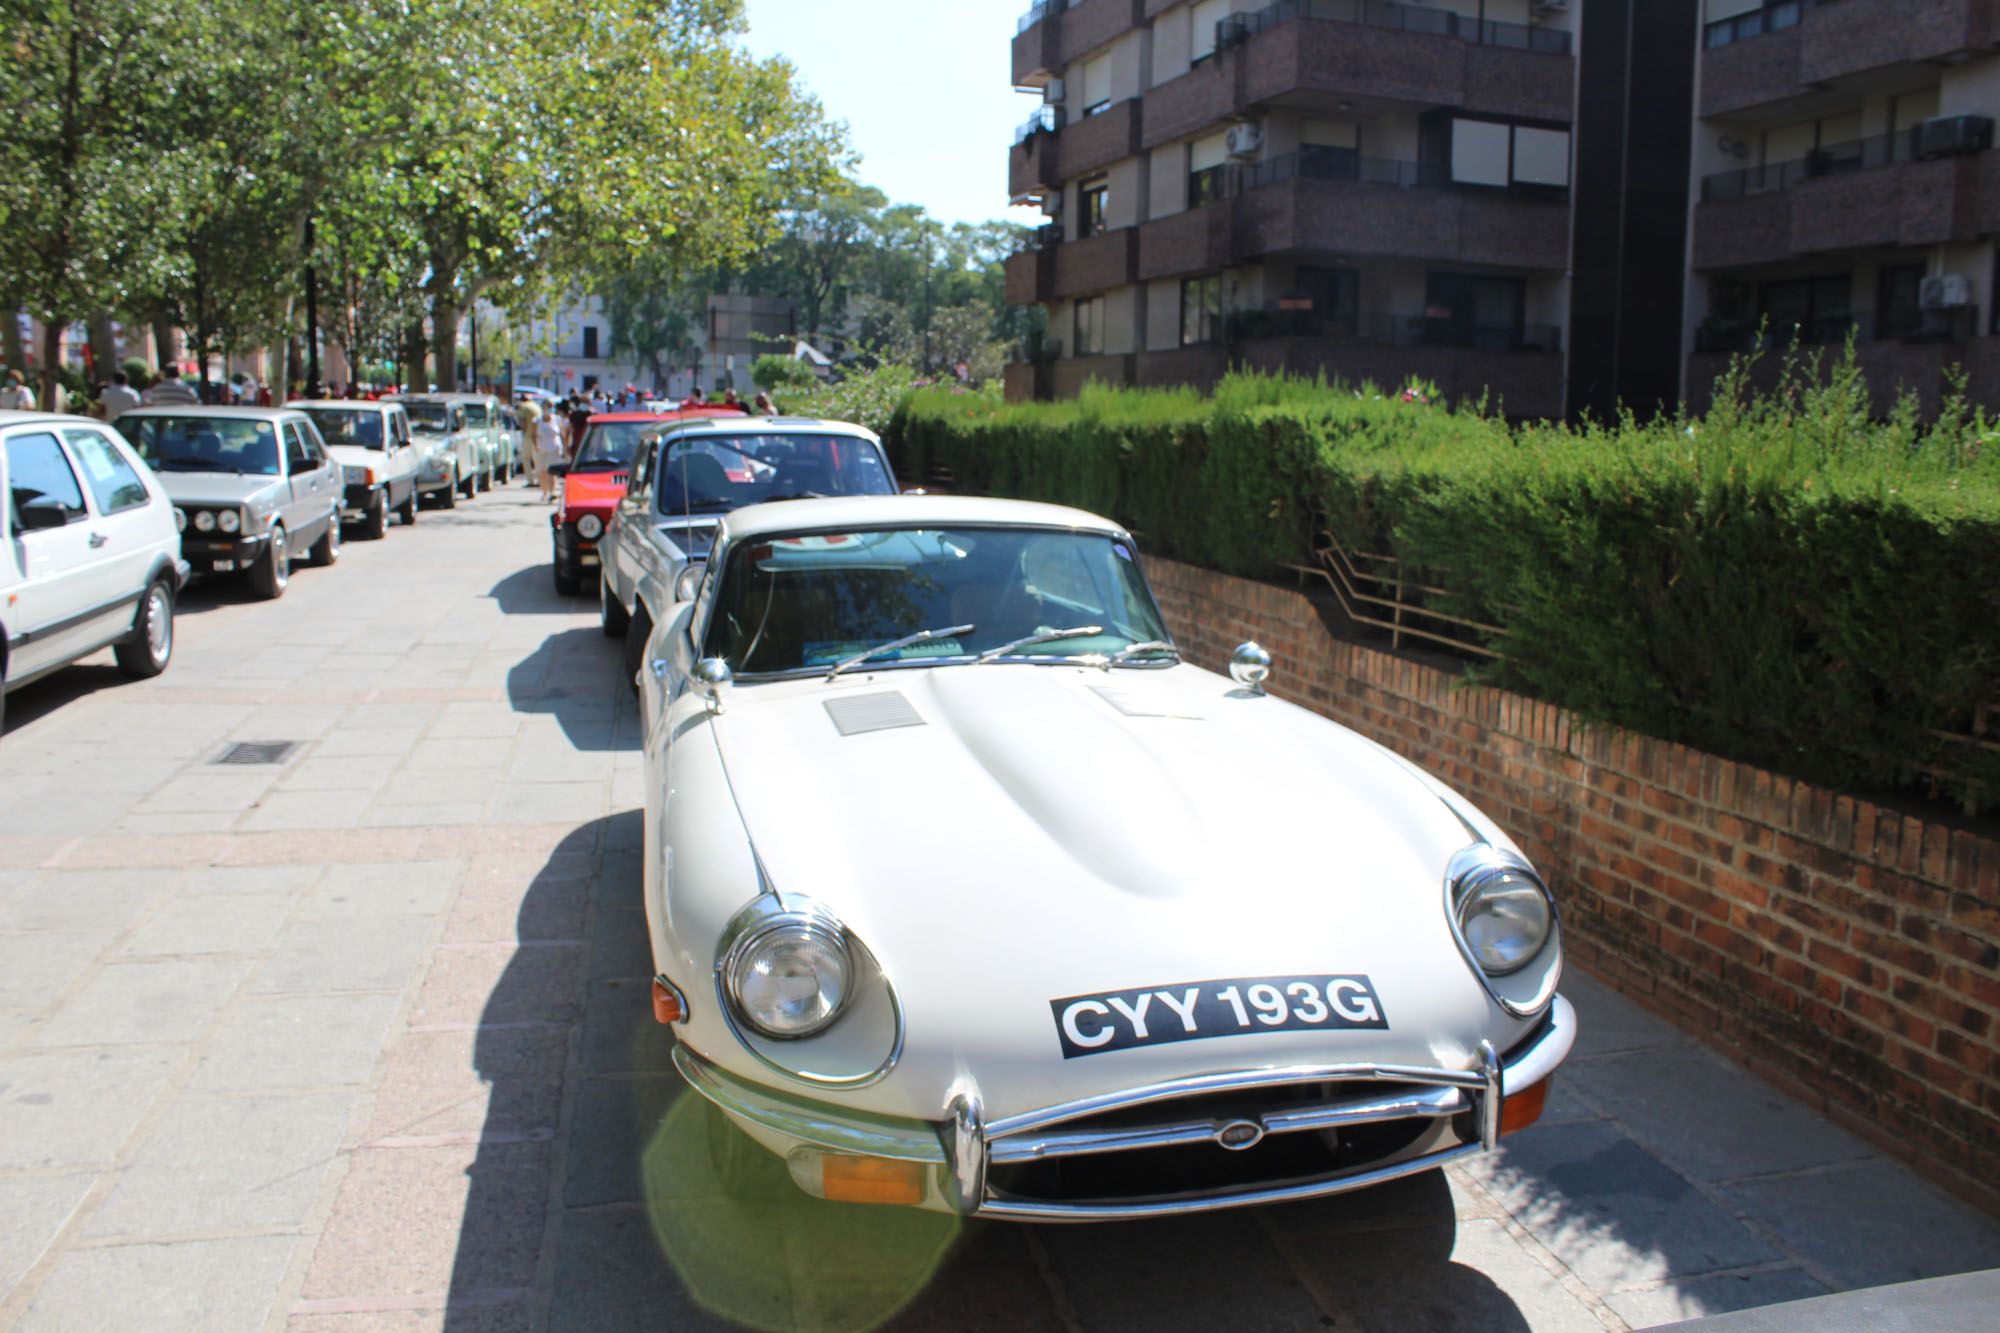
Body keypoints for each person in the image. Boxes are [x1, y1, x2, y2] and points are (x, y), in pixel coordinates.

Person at [537, 404, 566, 501]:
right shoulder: (537, 420)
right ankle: (544, 492)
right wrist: (536, 445)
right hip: (542, 448)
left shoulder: (557, 419)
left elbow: (562, 433)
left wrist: (565, 447)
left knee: (552, 471)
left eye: (550, 407)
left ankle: (552, 492)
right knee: (543, 471)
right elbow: (534, 434)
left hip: (554, 448)